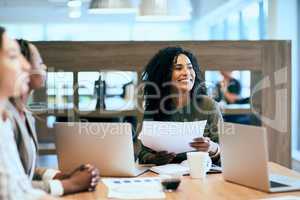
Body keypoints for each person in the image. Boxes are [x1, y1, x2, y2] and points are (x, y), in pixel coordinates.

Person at [5, 39, 100, 196]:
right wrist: (69, 184)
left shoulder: (27, 115)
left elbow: (23, 170)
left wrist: (59, 175)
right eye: (40, 62)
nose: (45, 67)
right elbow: (13, 185)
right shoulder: (6, 117)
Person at [138, 46, 222, 166]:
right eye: (178, 68)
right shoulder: (154, 107)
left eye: (190, 67)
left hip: (201, 175)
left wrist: (212, 148)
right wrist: (155, 158)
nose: (186, 73)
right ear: (164, 75)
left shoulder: (208, 105)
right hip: (165, 176)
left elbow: (226, 153)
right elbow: (143, 153)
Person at [0, 26, 56, 200]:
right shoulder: (7, 116)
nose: (25, 66)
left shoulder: (8, 118)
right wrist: (63, 185)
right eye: (13, 56)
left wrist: (54, 175)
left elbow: (19, 182)